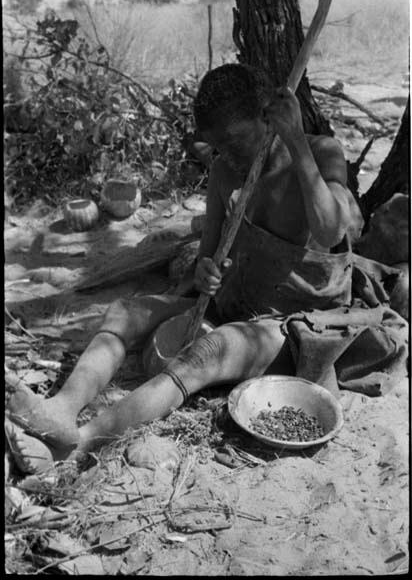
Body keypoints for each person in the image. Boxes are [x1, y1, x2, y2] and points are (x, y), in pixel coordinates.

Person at [6, 64, 408, 475]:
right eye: (217, 145)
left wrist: (296, 142)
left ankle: (82, 443)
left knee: (210, 350)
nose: (227, 155)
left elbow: (329, 230)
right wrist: (205, 273)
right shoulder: (223, 170)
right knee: (126, 311)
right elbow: (209, 256)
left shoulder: (320, 152)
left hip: (299, 325)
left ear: (266, 117)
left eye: (235, 141)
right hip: (240, 300)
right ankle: (62, 407)